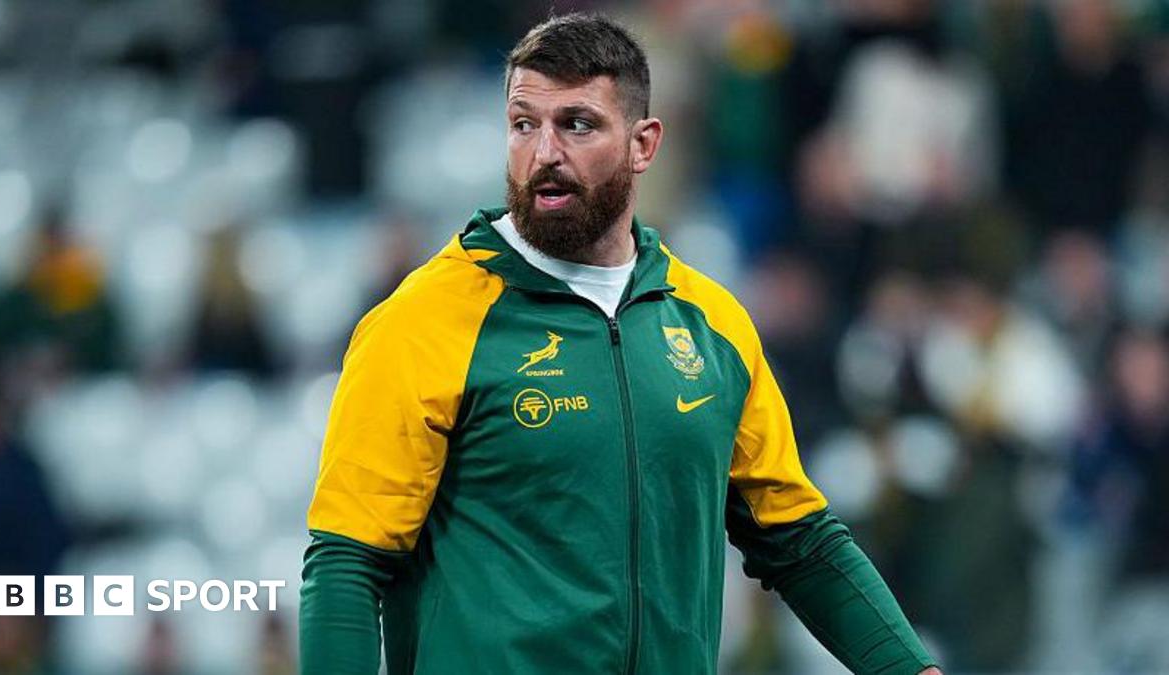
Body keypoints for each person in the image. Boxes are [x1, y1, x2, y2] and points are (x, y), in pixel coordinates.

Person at [300, 13, 941, 675]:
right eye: (524, 123)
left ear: (644, 144)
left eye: (577, 124)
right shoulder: (422, 321)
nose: (544, 151)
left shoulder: (711, 325)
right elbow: (348, 560)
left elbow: (799, 539)